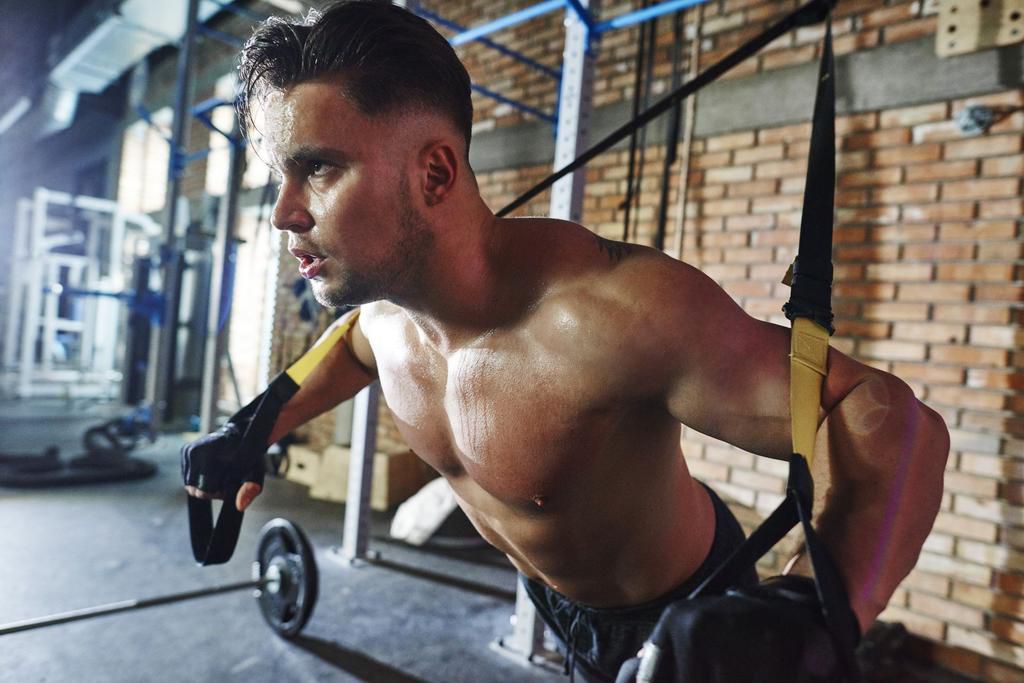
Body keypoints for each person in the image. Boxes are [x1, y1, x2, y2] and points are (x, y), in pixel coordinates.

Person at [182, 2, 949, 680]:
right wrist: (256, 423)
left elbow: (894, 420)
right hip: (561, 611)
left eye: (316, 168)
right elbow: (352, 348)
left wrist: (811, 613)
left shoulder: (611, 314)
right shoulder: (386, 315)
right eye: (279, 175)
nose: (284, 213)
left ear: (437, 173)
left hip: (694, 618)